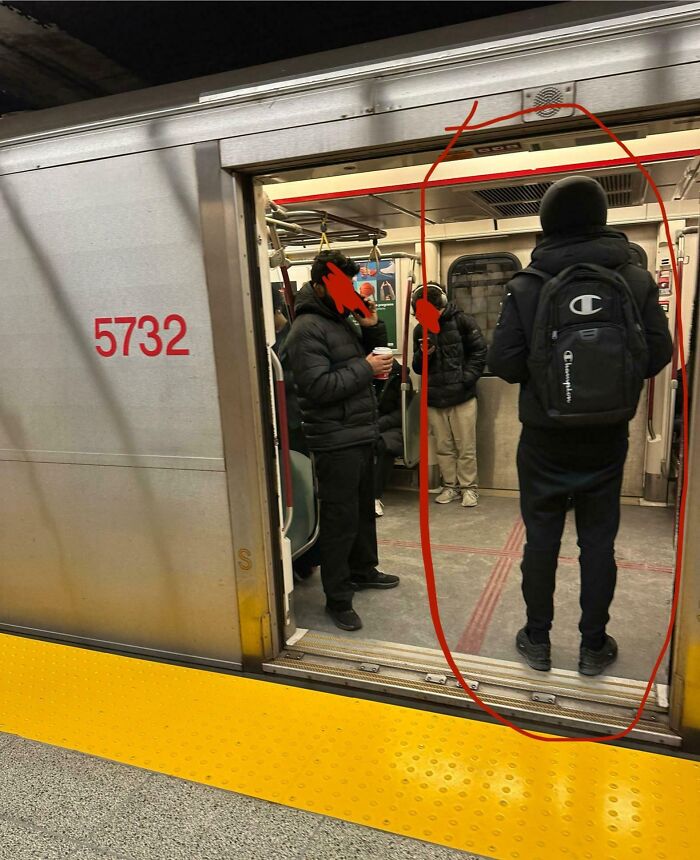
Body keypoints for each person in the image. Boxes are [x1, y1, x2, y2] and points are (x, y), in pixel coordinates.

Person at [488, 175, 672, 676]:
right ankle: (593, 645)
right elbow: (659, 352)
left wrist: (551, 379)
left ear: (547, 223)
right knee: (598, 543)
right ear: (601, 219)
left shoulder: (527, 285)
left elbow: (503, 362)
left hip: (544, 438)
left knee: (541, 540)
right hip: (607, 438)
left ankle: (538, 639)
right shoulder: (635, 280)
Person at [284, 250, 400, 632]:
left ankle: (363, 569)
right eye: (340, 285)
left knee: (363, 510)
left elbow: (367, 358)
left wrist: (370, 325)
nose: (347, 292)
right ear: (319, 286)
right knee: (340, 519)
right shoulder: (308, 330)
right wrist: (365, 369)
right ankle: (338, 596)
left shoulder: (342, 320)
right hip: (334, 438)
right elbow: (317, 387)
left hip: (359, 431)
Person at [411, 283, 487, 507]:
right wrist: (424, 354)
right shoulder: (420, 330)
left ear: (440, 306)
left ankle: (469, 488)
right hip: (434, 397)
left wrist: (467, 379)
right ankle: (450, 486)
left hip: (462, 396)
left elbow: (479, 352)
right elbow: (418, 367)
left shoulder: (463, 322)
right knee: (443, 447)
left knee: (465, 446)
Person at [373, 358, 412, 516]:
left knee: (385, 445)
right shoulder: (365, 375)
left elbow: (403, 412)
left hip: (393, 426)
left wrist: (378, 424)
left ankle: (374, 496)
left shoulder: (400, 378)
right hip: (366, 423)